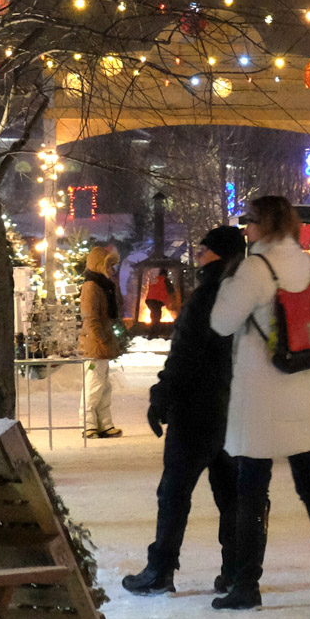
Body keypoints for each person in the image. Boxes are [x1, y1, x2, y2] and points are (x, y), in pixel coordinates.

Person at [209, 196, 310, 610]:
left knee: (251, 488)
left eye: (249, 222)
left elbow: (221, 322)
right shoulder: (309, 264)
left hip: (263, 395)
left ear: (263, 224)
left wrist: (230, 280)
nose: (245, 229)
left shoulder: (255, 268)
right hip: (304, 388)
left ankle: (246, 586)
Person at [123, 227, 246, 596]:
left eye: (204, 250)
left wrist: (163, 392)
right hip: (234, 407)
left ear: (216, 255)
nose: (198, 256)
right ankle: (236, 568)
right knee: (231, 493)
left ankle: (161, 568)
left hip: (197, 408)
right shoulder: (244, 295)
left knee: (175, 490)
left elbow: (187, 352)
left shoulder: (208, 294)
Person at [79, 245, 124, 439]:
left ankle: (104, 424)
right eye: (108, 266)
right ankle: (88, 424)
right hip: (96, 345)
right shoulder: (92, 287)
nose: (111, 270)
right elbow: (91, 318)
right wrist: (99, 340)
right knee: (94, 385)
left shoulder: (102, 286)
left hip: (102, 342)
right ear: (99, 265)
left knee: (104, 386)